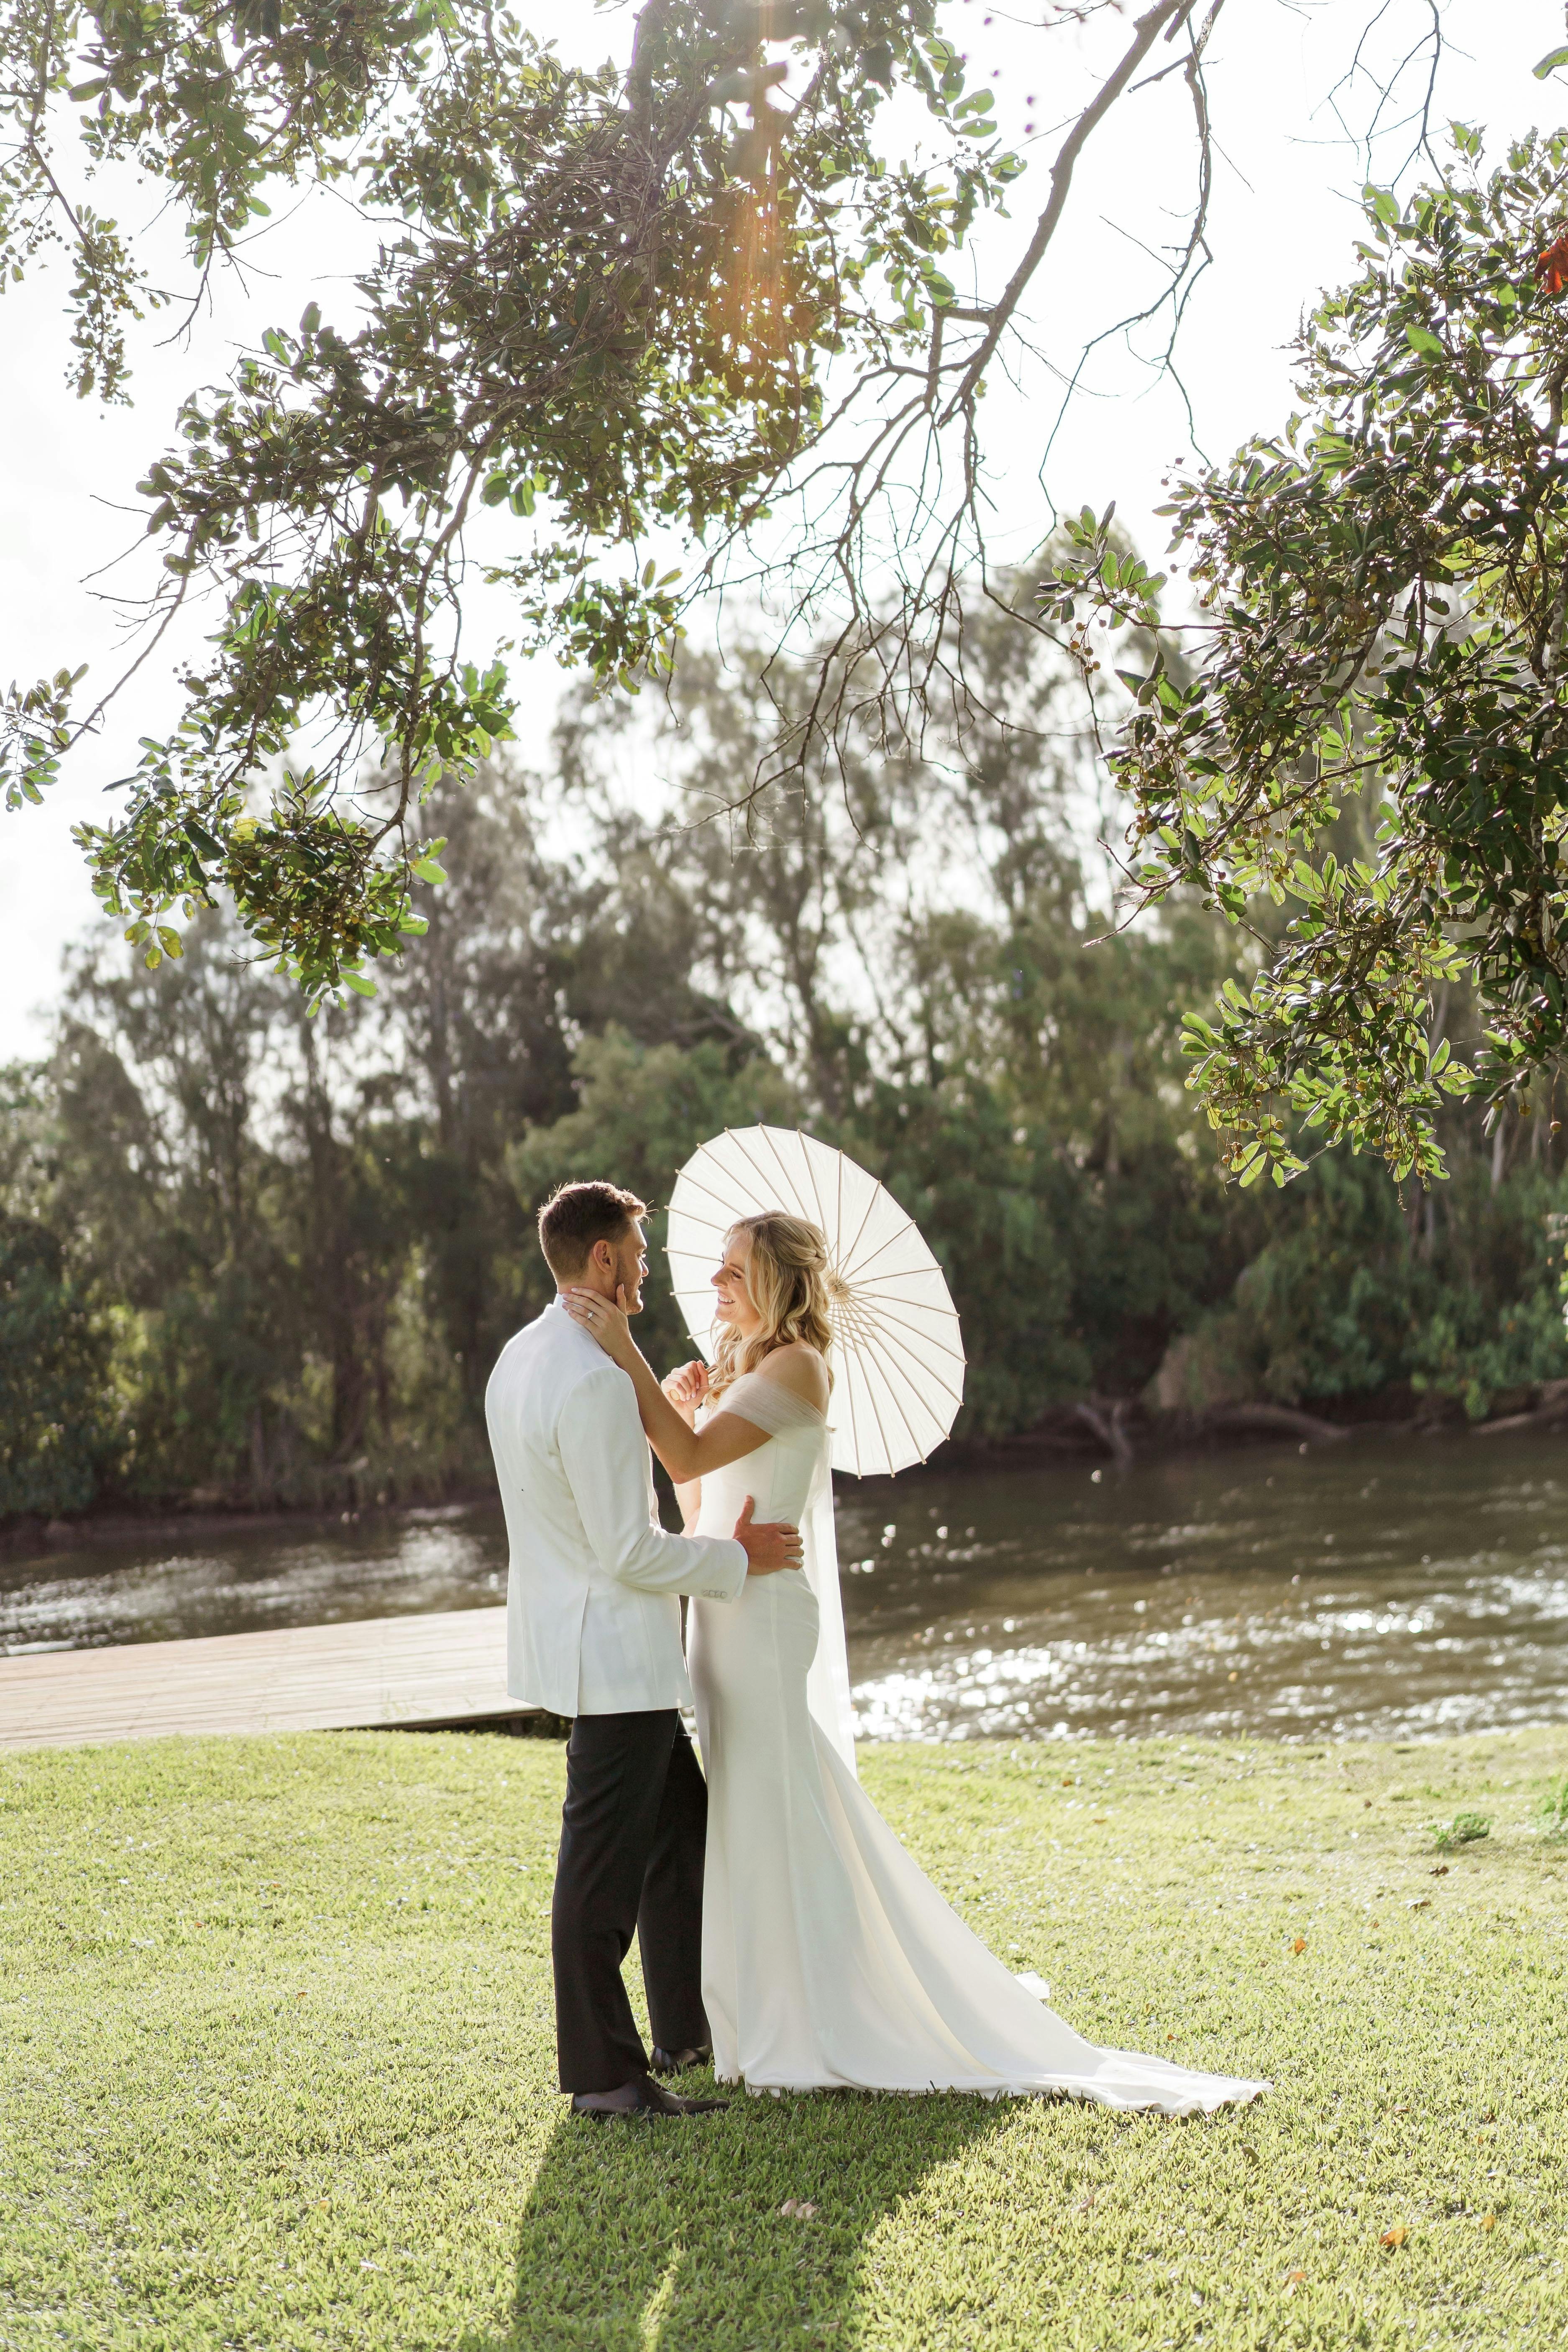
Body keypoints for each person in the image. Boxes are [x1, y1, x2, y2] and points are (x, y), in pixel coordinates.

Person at [563, 1210, 1267, 2113]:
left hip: (765, 1622)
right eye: (718, 1271)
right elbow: (697, 1491)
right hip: (724, 1614)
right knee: (752, 1810)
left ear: (778, 1280)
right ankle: (760, 2005)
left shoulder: (799, 1367)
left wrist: (627, 1355)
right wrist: (687, 1399)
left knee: (783, 1806)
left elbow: (693, 1452)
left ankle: (819, 2005)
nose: (717, 1286)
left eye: (734, 1270)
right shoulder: (744, 1370)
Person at [485, 1180, 802, 2121]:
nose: (651, 1265)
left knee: (681, 1830)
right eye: (639, 1247)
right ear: (604, 1259)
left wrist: (654, 1398)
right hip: (614, 1657)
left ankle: (685, 2029)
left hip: (594, 1646)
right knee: (599, 1877)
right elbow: (627, 1548)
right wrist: (732, 1558)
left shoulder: (525, 1356)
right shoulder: (588, 1378)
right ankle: (606, 2079)